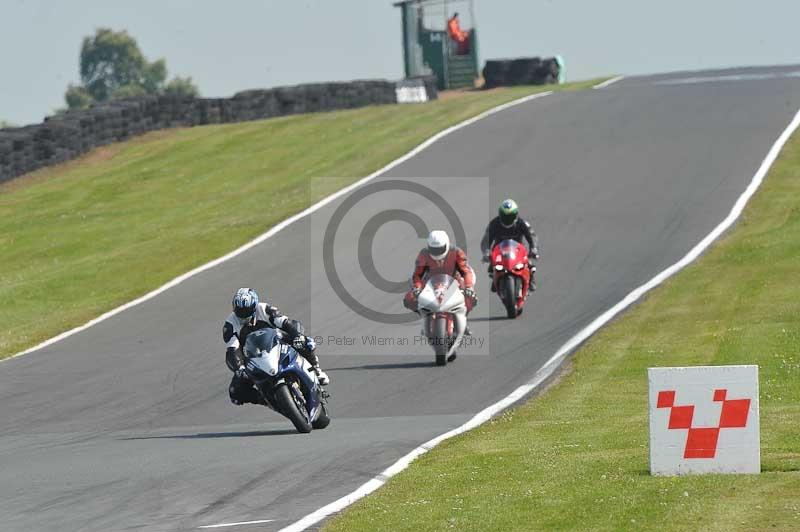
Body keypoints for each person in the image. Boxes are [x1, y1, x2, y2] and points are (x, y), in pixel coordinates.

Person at [223, 287, 329, 406]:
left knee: (305, 341)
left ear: (254, 306)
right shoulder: (230, 325)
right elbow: (233, 349)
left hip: (277, 342)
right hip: (253, 356)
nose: (242, 315)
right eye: (239, 311)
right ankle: (265, 400)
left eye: (246, 311)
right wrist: (239, 368)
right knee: (235, 392)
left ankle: (316, 369)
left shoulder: (264, 309)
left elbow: (285, 323)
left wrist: (297, 336)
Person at [403, 230, 478, 315]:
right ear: (428, 247)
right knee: (409, 298)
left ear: (446, 244)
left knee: (471, 297)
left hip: (454, 279)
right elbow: (417, 274)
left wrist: (468, 287)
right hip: (430, 281)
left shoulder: (456, 252)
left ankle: (462, 317)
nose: (437, 252)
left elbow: (466, 271)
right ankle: (425, 314)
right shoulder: (424, 254)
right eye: (433, 249)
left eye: (439, 249)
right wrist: (417, 288)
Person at [480, 199, 540, 291]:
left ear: (515, 215)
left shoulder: (522, 223)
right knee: (491, 268)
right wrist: (486, 252)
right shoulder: (494, 224)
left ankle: (530, 278)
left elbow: (531, 236)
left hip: (518, 249)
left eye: (510, 216)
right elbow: (486, 240)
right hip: (499, 250)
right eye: (505, 216)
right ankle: (496, 279)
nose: (507, 219)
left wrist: (534, 248)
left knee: (528, 264)